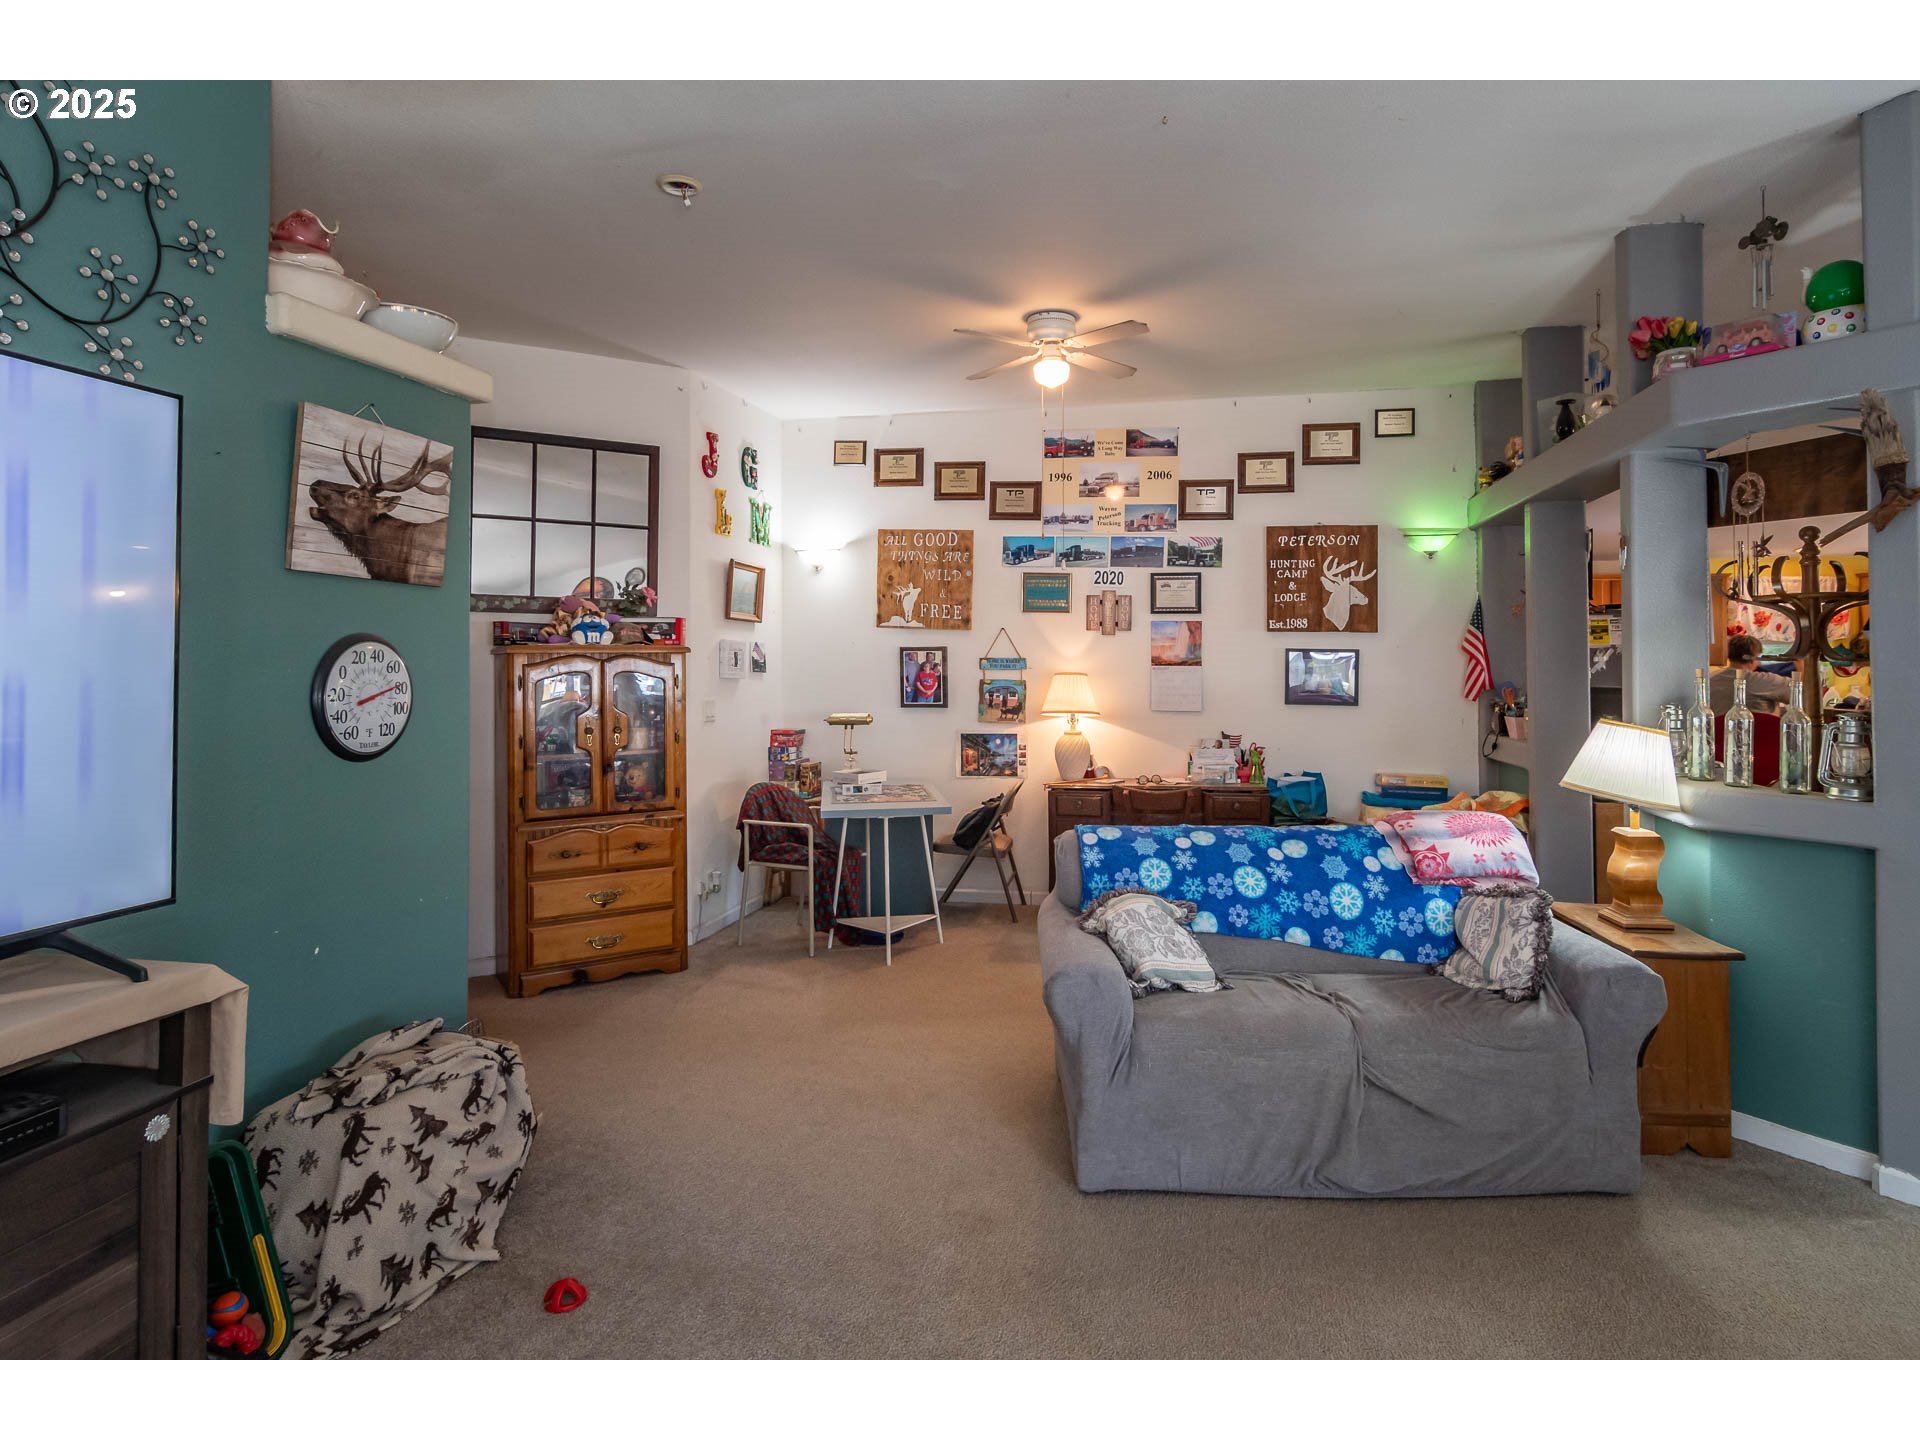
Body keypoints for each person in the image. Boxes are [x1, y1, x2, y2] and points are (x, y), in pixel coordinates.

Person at [1709, 634, 1793, 714]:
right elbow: (1796, 693)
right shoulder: (1766, 680)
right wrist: (1799, 669)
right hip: (1759, 725)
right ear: (1753, 659)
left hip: (1722, 724)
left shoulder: (1711, 680)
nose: (1759, 663)